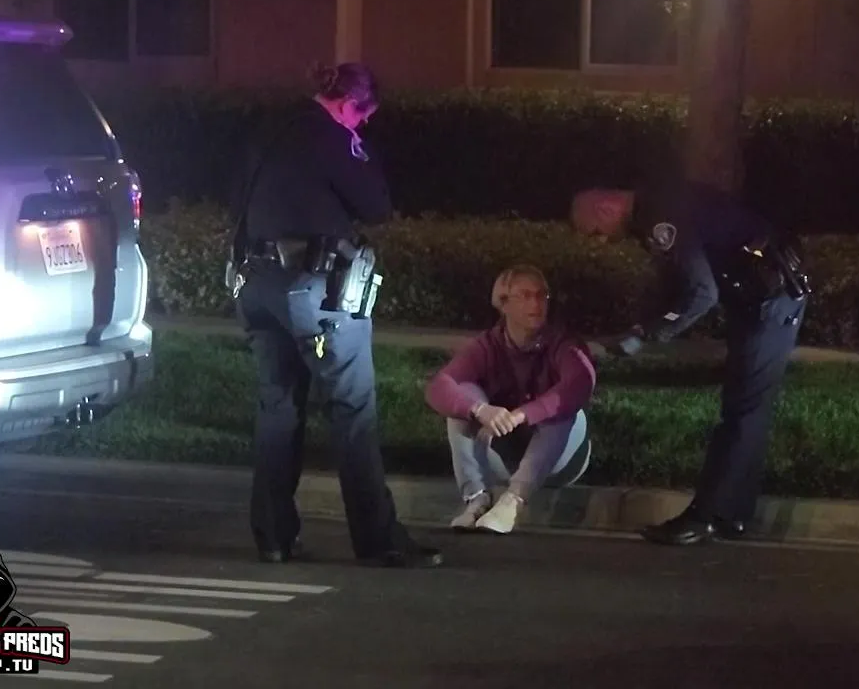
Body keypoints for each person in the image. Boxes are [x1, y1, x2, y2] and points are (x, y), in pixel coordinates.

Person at [229, 62, 442, 569]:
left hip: (256, 285)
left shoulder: (268, 130)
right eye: (362, 118)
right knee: (353, 409)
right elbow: (376, 205)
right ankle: (379, 539)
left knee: (279, 407)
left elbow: (236, 201)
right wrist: (358, 150)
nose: (361, 126)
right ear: (349, 105)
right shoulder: (334, 137)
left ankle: (274, 537)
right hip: (314, 292)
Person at [599, 177, 810, 546]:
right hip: (765, 298)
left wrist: (648, 335)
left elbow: (701, 293)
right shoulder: (663, 201)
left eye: (595, 230)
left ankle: (704, 517)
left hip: (771, 301)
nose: (601, 240)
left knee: (742, 414)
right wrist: (645, 325)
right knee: (748, 411)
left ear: (605, 208)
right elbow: (680, 280)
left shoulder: (660, 215)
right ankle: (732, 515)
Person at [423, 264, 597, 534]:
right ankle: (477, 499)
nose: (536, 304)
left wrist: (523, 414)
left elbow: (580, 383)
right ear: (503, 304)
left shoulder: (562, 343)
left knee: (560, 409)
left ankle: (513, 501)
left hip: (563, 457)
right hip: (504, 454)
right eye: (525, 296)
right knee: (463, 395)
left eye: (541, 295)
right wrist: (479, 410)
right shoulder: (487, 345)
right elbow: (438, 387)